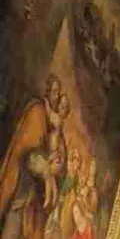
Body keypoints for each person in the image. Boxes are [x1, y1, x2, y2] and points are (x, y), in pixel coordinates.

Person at [0, 76, 66, 239]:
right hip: (21, 195)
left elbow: (59, 166)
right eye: (54, 92)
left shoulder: (55, 129)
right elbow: (26, 152)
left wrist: (55, 169)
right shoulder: (37, 112)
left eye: (58, 94)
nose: (56, 97)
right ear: (47, 92)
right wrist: (46, 169)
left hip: (34, 206)